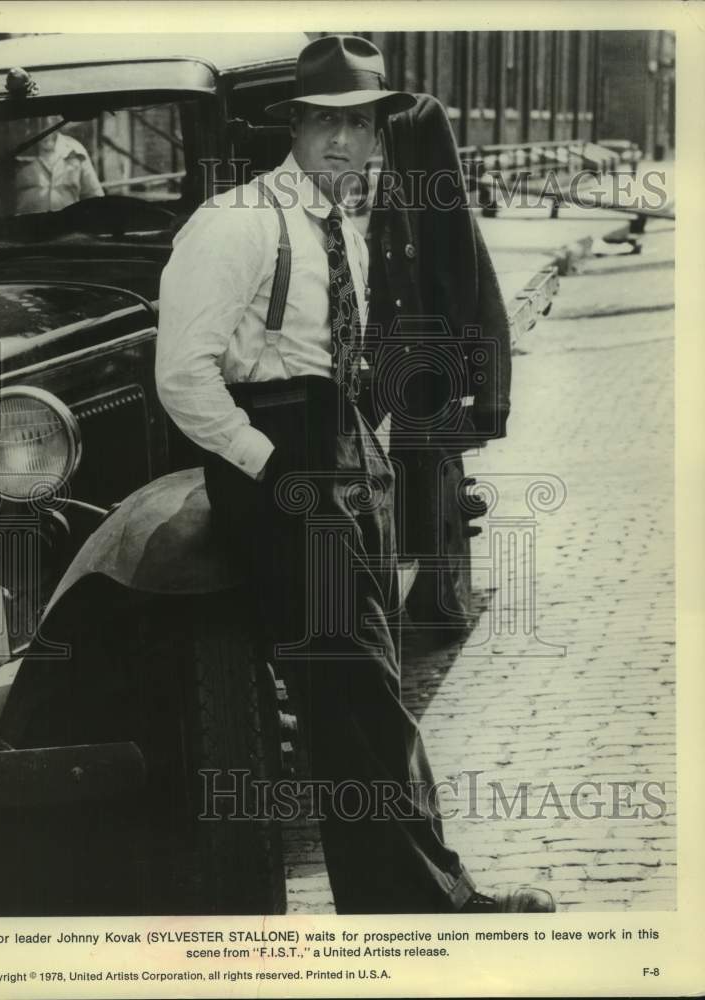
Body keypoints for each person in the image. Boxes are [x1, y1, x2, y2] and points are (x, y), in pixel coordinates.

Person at [156, 34, 554, 914]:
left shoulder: (339, 224)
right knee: (357, 695)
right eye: (324, 122)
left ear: (380, 138)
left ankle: (420, 891)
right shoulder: (234, 223)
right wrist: (274, 467)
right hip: (285, 461)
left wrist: (363, 447)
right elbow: (183, 376)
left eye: (361, 125)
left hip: (342, 454)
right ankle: (424, 904)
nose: (343, 142)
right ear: (293, 126)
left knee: (371, 686)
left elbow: (345, 351)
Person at [10, 118, 104, 215]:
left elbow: (94, 196)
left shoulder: (75, 150)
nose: (44, 119)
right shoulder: (17, 150)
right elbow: (1, 199)